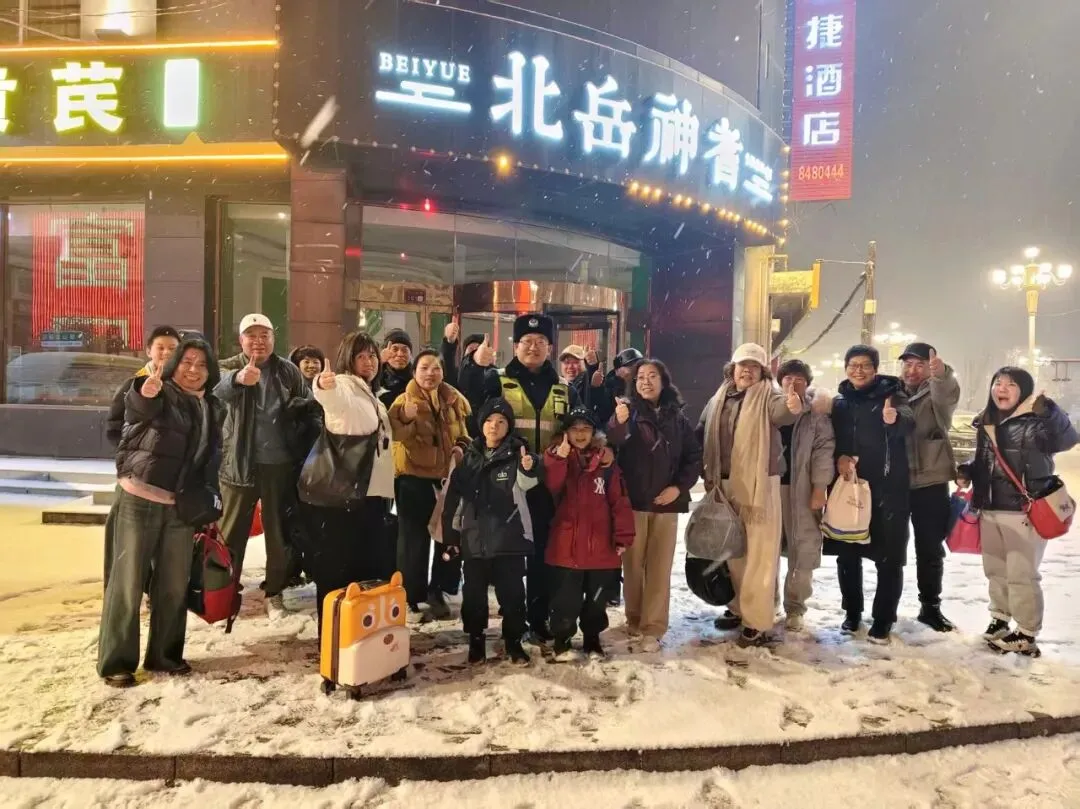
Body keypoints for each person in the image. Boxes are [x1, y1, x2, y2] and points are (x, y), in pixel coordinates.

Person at [97, 336, 222, 688]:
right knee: (128, 583)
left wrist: (209, 501)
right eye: (186, 362)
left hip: (180, 506)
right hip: (139, 498)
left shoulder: (211, 406)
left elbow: (211, 458)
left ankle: (165, 655)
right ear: (173, 365)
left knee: (173, 584)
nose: (193, 370)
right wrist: (145, 392)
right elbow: (138, 405)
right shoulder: (158, 391)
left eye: (201, 365)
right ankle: (117, 662)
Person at [467, 313, 581, 641]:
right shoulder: (496, 380)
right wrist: (474, 366)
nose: (533, 347)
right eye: (527, 342)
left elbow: (580, 428)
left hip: (549, 487)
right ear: (515, 345)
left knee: (544, 555)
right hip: (508, 485)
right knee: (512, 559)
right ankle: (513, 620)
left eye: (540, 342)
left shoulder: (564, 388)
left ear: (550, 347)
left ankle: (539, 617)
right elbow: (472, 406)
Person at [959, 367, 1077, 657]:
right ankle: (1000, 618)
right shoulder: (986, 421)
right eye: (997, 383)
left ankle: (1026, 632)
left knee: (1022, 574)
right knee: (996, 570)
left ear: (1023, 391)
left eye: (1010, 384)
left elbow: (1067, 438)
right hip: (990, 507)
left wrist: (1050, 411)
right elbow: (986, 460)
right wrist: (968, 471)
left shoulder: (1037, 422)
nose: (1001, 388)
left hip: (1024, 510)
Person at [699, 344, 801, 647]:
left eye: (754, 366)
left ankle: (756, 620)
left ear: (763, 372)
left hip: (759, 485)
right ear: (732, 369)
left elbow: (783, 412)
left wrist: (793, 404)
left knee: (759, 554)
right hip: (724, 483)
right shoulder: (719, 398)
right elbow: (702, 430)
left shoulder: (769, 396)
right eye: (742, 365)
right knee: (732, 550)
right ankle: (738, 608)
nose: (747, 371)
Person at [214, 314, 314, 620]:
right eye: (252, 335)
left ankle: (275, 591)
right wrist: (237, 380)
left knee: (278, 533)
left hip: (279, 463)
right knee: (230, 534)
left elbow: (308, 403)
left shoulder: (287, 370)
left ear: (273, 338)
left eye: (265, 335)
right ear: (241, 340)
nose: (258, 341)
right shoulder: (227, 366)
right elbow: (214, 390)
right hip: (237, 464)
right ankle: (223, 595)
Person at [304, 331, 396, 637]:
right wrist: (323, 385)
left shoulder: (369, 392)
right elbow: (330, 398)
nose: (368, 362)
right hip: (343, 497)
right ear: (348, 359)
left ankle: (358, 640)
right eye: (361, 356)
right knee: (337, 574)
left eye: (372, 355)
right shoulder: (344, 385)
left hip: (369, 496)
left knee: (363, 574)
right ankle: (333, 641)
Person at [606, 358, 702, 651]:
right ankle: (634, 619)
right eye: (640, 377)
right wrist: (618, 422)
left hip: (666, 504)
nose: (645, 382)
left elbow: (693, 457)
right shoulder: (627, 411)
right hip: (633, 502)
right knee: (633, 567)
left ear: (663, 382)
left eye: (652, 376)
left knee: (659, 569)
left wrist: (678, 488)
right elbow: (611, 443)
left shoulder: (678, 418)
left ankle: (653, 627)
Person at [441, 398, 538, 666]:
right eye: (489, 421)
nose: (494, 426)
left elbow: (529, 481)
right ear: (481, 425)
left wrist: (530, 465)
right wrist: (452, 538)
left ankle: (514, 641)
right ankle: (476, 640)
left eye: (501, 421)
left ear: (509, 427)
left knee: (513, 594)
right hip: (474, 540)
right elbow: (453, 503)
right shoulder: (468, 460)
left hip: (509, 540)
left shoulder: (518, 456)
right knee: (473, 595)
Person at [829, 344, 915, 644]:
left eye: (865, 365)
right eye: (853, 365)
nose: (859, 370)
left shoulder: (893, 394)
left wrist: (894, 419)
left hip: (888, 489)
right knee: (847, 554)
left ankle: (883, 618)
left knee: (889, 557)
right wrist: (839, 457)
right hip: (851, 488)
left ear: (876, 369)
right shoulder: (840, 402)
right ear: (845, 368)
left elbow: (908, 421)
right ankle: (852, 612)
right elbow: (833, 440)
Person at [544, 407, 635, 661]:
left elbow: (619, 502)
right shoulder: (555, 457)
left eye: (586, 428)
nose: (580, 434)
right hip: (566, 547)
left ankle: (592, 638)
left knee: (597, 600)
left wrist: (623, 536)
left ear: (594, 433)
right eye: (575, 429)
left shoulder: (607, 465)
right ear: (566, 432)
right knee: (565, 600)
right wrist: (560, 458)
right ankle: (562, 640)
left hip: (600, 548)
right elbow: (552, 485)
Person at [388, 348, 471, 620]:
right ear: (414, 372)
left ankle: (440, 590)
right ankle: (410, 597)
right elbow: (395, 434)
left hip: (447, 480)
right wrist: (407, 417)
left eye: (436, 368)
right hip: (413, 479)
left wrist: (461, 447)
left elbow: (464, 433)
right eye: (424, 368)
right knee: (413, 541)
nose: (430, 373)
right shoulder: (403, 401)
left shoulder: (454, 399)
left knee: (449, 537)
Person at [103, 325, 181, 591]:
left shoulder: (181, 386)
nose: (166, 353)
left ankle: (151, 591)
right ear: (149, 350)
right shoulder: (134, 384)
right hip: (135, 481)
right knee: (127, 550)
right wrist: (132, 463)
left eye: (173, 349)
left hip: (168, 484)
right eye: (161, 347)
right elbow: (114, 427)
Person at [898, 342, 961, 632]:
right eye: (908, 364)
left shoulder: (936, 395)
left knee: (930, 549)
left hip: (931, 483)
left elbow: (946, 393)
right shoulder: (891, 392)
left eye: (920, 365)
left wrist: (941, 374)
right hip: (896, 483)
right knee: (891, 549)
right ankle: (886, 604)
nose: (912, 370)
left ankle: (930, 607)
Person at [774, 360, 835, 632]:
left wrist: (819, 487)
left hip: (802, 489)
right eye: (787, 378)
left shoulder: (816, 415)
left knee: (803, 549)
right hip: (768, 489)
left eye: (799, 379)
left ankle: (795, 607)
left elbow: (824, 451)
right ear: (780, 382)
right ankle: (767, 602)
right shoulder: (770, 408)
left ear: (807, 383)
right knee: (765, 550)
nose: (793, 383)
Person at [589, 347, 643, 426]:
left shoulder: (642, 384)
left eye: (638, 366)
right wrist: (595, 387)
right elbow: (601, 415)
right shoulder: (608, 385)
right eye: (630, 365)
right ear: (617, 369)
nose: (634, 369)